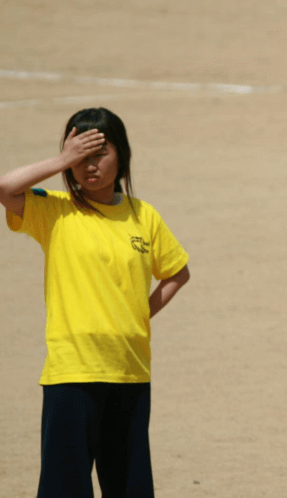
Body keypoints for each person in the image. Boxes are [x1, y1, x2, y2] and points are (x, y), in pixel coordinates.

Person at [0, 107, 191, 498]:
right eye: (80, 156)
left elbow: (177, 273)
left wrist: (139, 313)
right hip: (71, 374)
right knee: (64, 489)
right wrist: (60, 161)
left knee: (130, 487)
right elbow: (5, 188)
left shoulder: (144, 216)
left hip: (130, 371)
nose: (90, 166)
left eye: (99, 154)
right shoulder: (53, 210)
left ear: (121, 157)